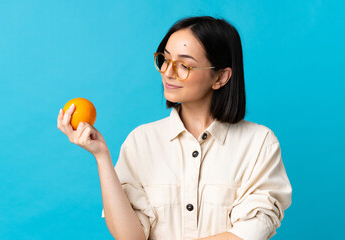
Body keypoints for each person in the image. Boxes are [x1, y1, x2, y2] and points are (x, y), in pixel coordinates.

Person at [57, 16, 292, 240]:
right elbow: (130, 236)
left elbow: (251, 232)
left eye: (184, 65)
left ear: (220, 77)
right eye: (165, 59)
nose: (167, 72)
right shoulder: (141, 141)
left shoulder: (259, 143)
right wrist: (101, 156)